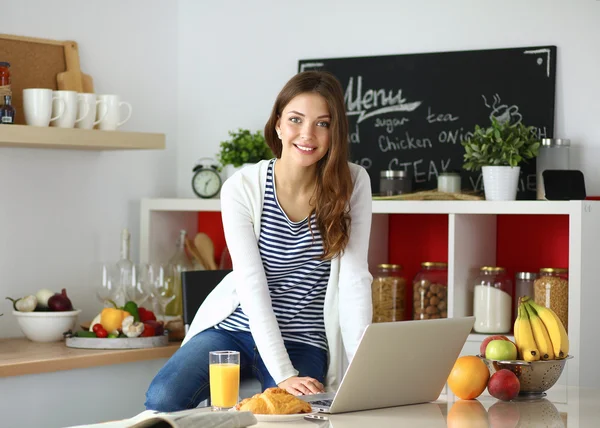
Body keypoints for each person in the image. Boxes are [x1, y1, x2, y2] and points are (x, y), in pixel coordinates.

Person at [145, 70, 373, 412]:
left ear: (334, 131)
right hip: (235, 329)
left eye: (322, 124)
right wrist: (282, 373)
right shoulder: (243, 187)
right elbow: (252, 285)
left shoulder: (352, 183)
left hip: (304, 339)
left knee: (294, 412)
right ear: (278, 124)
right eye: (296, 119)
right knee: (163, 397)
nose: (307, 134)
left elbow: (355, 281)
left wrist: (362, 376)